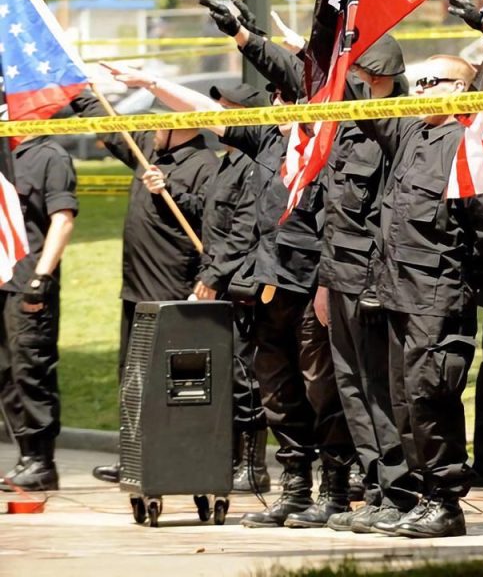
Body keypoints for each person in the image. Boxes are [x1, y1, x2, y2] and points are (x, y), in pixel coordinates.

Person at [109, 68, 353, 529]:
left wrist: (326, 285)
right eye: (277, 101)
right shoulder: (266, 145)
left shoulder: (328, 148)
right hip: (263, 293)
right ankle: (295, 491)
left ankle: (336, 492)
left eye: (289, 101)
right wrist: (153, 84)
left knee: (322, 392)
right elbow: (207, 114)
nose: (279, 109)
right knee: (278, 396)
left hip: (308, 292)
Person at [221, 4, 419, 533]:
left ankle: (383, 491)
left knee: (362, 391)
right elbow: (302, 80)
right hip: (332, 280)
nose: (343, 84)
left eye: (353, 76)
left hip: (374, 285)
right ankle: (372, 491)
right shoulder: (341, 127)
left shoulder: (398, 129)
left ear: (375, 78)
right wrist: (247, 37)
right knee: (351, 394)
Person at [357, 53, 483, 538]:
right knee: (405, 402)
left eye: (433, 81)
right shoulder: (414, 133)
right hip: (398, 294)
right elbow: (362, 106)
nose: (420, 89)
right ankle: (423, 496)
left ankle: (446, 502)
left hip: (438, 295)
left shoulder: (469, 143)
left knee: (432, 398)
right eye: (419, 80)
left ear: (459, 89)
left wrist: (470, 280)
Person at [72, 84, 220, 485]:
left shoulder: (206, 164)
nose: (149, 127)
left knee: (166, 381)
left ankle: (171, 459)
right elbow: (111, 125)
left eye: (156, 122)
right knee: (132, 377)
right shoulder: (148, 149)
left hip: (170, 290)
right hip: (134, 288)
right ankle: (134, 458)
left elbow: (211, 221)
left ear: (180, 127)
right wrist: (75, 92)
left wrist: (170, 190)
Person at [192, 80, 271, 495]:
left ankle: (253, 464)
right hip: (222, 280)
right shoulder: (228, 162)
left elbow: (245, 229)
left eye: (227, 108)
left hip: (241, 284)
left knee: (246, 376)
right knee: (227, 373)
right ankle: (231, 457)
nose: (218, 115)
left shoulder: (253, 165)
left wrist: (214, 275)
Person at [0, 108, 78, 491]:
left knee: (32, 368)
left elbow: (62, 218)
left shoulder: (51, 155)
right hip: (2, 278)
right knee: (6, 372)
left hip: (30, 279)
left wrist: (42, 277)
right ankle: (25, 454)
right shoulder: (5, 154)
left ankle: (41, 460)